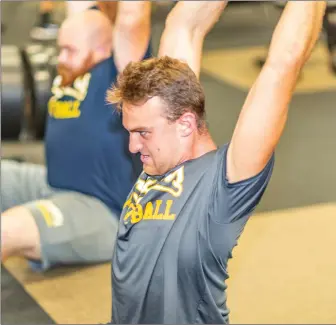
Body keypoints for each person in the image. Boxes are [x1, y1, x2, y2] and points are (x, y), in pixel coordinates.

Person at [106, 1, 327, 324]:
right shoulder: (160, 152)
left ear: (185, 125)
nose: (132, 145)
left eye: (142, 132)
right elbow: (185, 24)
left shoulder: (223, 183)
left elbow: (284, 63)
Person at [1, 1, 152, 271]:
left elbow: (133, 14)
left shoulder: (124, 74)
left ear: (104, 49)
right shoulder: (74, 61)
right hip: (52, 186)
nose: (60, 59)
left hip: (102, 211)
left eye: (69, 51)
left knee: (7, 230)